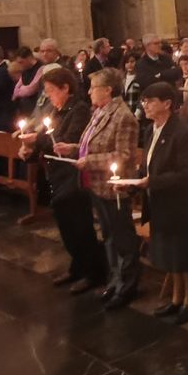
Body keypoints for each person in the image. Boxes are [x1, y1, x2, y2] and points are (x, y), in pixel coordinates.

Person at [17, 66, 104, 293]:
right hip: (56, 175)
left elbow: (69, 141)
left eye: (51, 90)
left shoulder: (79, 109)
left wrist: (37, 140)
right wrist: (29, 151)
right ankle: (77, 266)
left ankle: (93, 272)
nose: (48, 95)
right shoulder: (56, 110)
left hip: (74, 176)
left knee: (80, 225)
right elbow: (48, 142)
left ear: (65, 88)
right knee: (65, 224)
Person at [136, 81, 188, 324]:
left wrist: (151, 182)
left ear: (167, 104)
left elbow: (187, 173)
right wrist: (132, 181)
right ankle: (176, 299)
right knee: (170, 252)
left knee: (184, 253)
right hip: (160, 201)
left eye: (150, 101)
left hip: (181, 202)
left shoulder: (182, 133)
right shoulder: (151, 130)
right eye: (144, 100)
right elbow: (148, 164)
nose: (145, 105)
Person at [73, 67, 140, 309]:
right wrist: (71, 148)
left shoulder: (123, 117)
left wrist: (88, 161)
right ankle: (114, 279)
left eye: (93, 87)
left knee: (123, 238)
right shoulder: (100, 112)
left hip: (115, 187)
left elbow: (123, 155)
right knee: (109, 237)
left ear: (108, 90)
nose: (89, 92)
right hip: (98, 184)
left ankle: (128, 285)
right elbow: (91, 144)